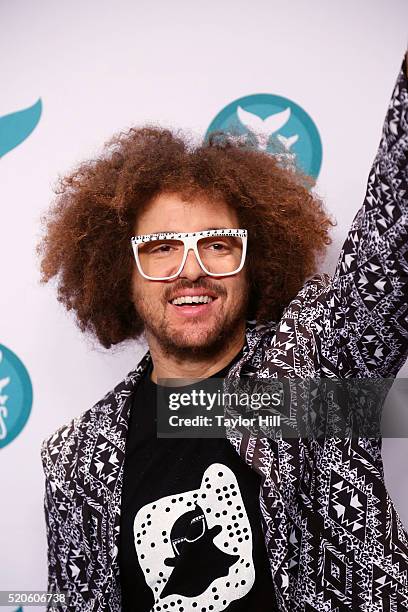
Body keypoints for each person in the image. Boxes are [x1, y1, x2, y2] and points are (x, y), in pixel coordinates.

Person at [39, 49, 408, 611]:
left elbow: (393, 244)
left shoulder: (313, 364)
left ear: (252, 261)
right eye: (161, 248)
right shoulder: (76, 461)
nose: (192, 269)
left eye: (218, 245)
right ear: (121, 272)